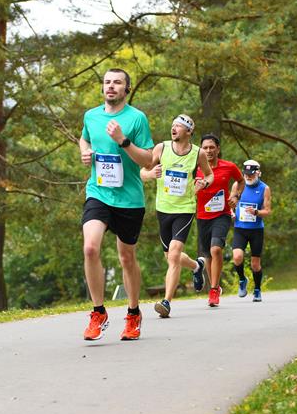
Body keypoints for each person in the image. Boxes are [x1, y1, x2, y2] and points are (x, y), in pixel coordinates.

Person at [79, 68, 154, 341]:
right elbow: (84, 138)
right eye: (107, 82)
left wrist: (123, 140)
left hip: (129, 198)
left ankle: (133, 313)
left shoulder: (137, 118)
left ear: (126, 89)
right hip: (98, 192)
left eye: (117, 83)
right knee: (90, 248)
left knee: (126, 257)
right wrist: (85, 152)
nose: (111, 86)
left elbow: (148, 160)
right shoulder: (91, 116)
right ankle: (98, 312)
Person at [142, 115, 213, 318]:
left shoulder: (198, 153)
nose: (173, 128)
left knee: (174, 255)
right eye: (172, 125)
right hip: (163, 209)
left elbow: (209, 174)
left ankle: (166, 302)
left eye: (178, 126)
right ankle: (197, 266)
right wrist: (150, 174)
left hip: (185, 209)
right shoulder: (161, 148)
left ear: (189, 131)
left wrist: (204, 183)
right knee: (170, 256)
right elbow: (142, 172)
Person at [194, 134, 243, 307]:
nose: (208, 151)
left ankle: (214, 290)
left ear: (218, 149)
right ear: (201, 150)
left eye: (212, 147)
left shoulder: (228, 166)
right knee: (207, 255)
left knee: (216, 249)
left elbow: (241, 180)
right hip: (202, 216)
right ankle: (214, 286)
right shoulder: (195, 168)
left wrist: (235, 196)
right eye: (205, 148)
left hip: (222, 214)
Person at [231, 160, 271, 302]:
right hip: (240, 228)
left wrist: (256, 212)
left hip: (256, 230)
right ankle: (242, 279)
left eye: (251, 174)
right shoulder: (237, 185)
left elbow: (267, 211)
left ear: (258, 173)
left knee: (255, 264)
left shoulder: (264, 188)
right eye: (246, 174)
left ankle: (257, 290)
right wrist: (231, 212)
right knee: (237, 257)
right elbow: (231, 203)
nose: (248, 177)